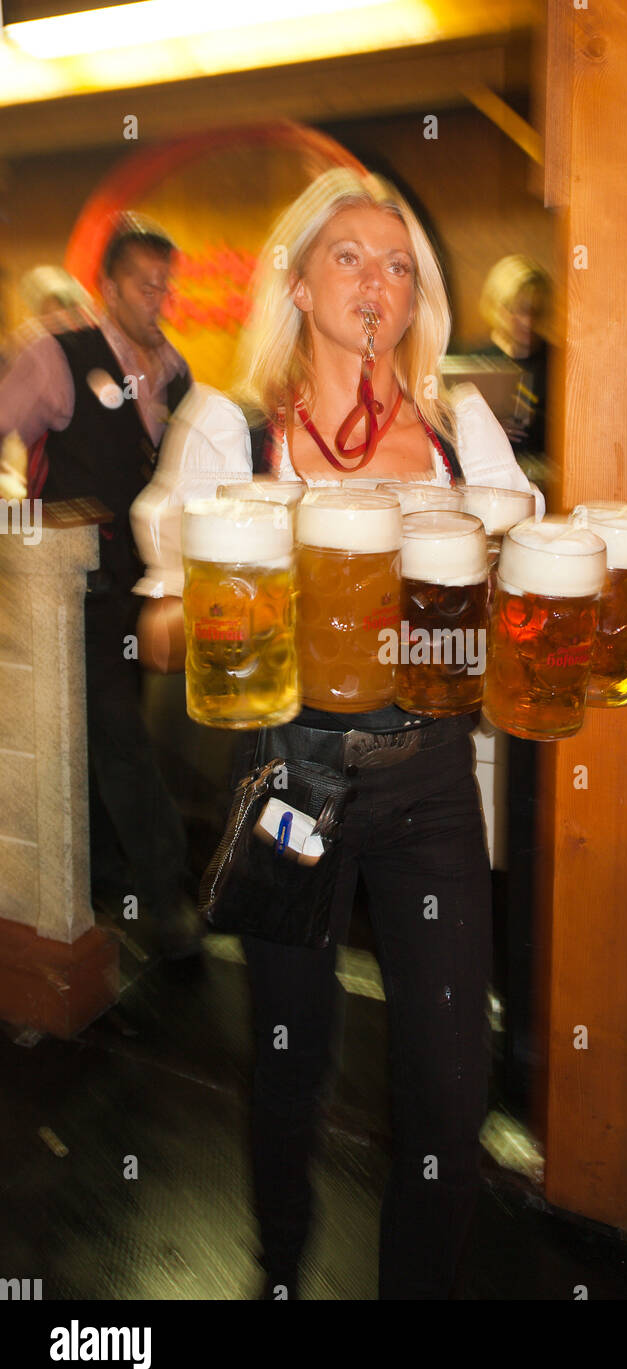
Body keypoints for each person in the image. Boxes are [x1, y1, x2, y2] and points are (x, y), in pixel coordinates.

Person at [131, 168, 544, 1299]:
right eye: (351, 255)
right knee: (290, 1061)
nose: (379, 277)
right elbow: (161, 630)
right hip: (289, 776)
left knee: (450, 1092)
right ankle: (276, 1274)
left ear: (420, 299)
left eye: (400, 261)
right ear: (301, 285)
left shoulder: (461, 430)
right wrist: (217, 614)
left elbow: (513, 596)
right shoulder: (234, 427)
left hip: (431, 781)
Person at [0, 213, 203, 960]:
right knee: (117, 737)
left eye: (166, 285)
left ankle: (108, 880)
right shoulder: (55, 356)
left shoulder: (175, 371)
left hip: (140, 591)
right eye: (146, 284)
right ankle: (165, 895)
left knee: (106, 736)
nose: (159, 298)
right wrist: (18, 522)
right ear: (107, 287)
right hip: (68, 589)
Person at [479, 254, 552, 492]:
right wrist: (488, 425)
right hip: (487, 483)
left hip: (544, 484)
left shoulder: (560, 364)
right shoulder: (473, 361)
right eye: (518, 309)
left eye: (536, 311)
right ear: (497, 305)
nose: (527, 320)